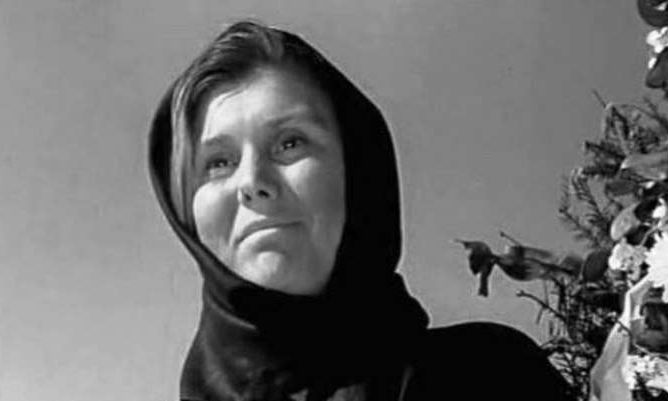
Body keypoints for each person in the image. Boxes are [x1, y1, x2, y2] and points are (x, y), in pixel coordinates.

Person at [148, 20, 573, 401]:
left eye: (290, 143)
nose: (252, 181)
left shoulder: (491, 375)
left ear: (358, 168)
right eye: (218, 162)